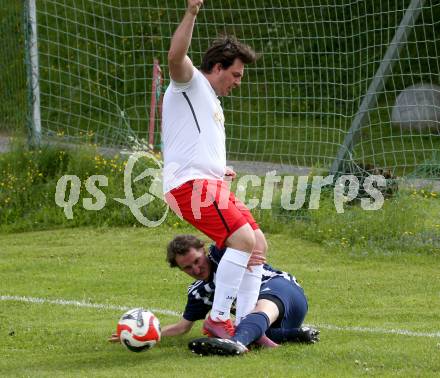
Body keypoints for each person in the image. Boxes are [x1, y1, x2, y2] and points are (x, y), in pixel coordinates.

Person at [162, 0, 267, 340]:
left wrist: (220, 173)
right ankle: (218, 319)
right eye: (235, 74)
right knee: (242, 239)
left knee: (257, 245)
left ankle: (248, 326)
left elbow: (196, 144)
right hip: (187, 185)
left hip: (210, 183)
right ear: (218, 67)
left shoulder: (212, 103)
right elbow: (176, 58)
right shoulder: (190, 84)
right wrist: (191, 12)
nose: (238, 82)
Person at [165, 235, 319, 356]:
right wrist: (146, 335)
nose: (196, 270)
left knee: (259, 308)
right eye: (188, 268)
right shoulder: (198, 293)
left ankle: (238, 341)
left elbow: (250, 237)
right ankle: (296, 335)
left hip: (283, 290)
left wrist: (242, 254)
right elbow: (181, 328)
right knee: (228, 322)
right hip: (274, 323)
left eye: (197, 261)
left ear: (203, 250)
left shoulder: (222, 254)